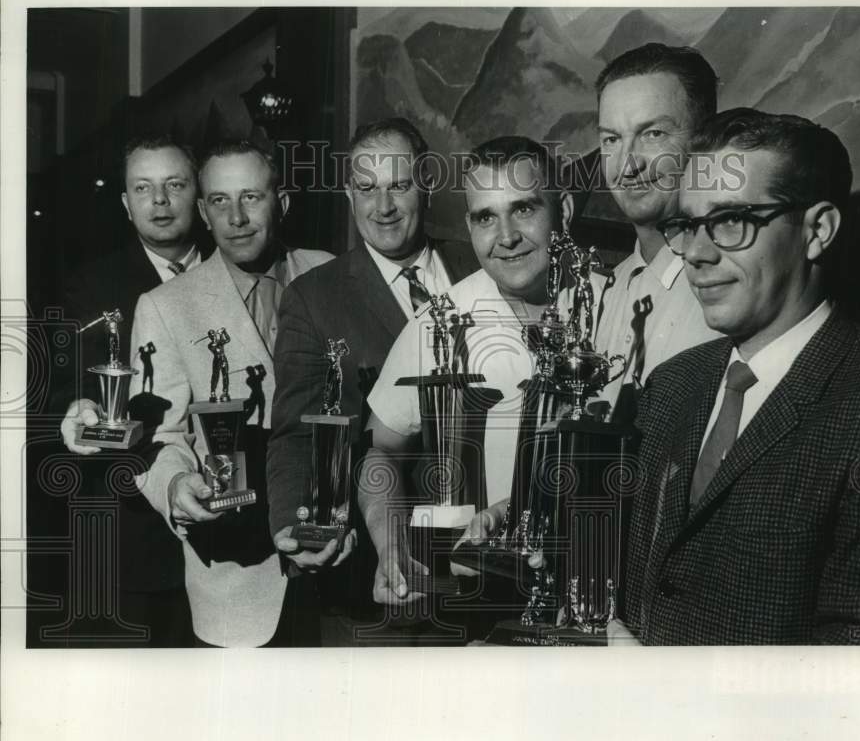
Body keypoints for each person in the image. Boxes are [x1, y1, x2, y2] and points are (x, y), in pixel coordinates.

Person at [620, 108, 860, 644]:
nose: (697, 255)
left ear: (817, 231)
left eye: (731, 220)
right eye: (687, 225)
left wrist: (664, 685)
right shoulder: (672, 384)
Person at [358, 135, 600, 609]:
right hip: (484, 604)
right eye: (485, 217)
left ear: (564, 210)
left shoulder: (612, 302)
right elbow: (379, 450)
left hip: (595, 586)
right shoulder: (440, 321)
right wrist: (391, 542)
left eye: (524, 209)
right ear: (469, 226)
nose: (505, 236)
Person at [129, 139, 352, 647]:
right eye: (220, 201)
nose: (236, 217)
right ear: (203, 212)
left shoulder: (331, 272)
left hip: (344, 562)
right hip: (238, 584)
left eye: (251, 197)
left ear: (282, 203)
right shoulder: (165, 305)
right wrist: (175, 485)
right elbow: (156, 434)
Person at [266, 119, 478, 638]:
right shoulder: (314, 298)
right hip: (375, 589)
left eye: (399, 186)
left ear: (426, 184)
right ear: (349, 195)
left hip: (485, 567)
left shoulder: (481, 264)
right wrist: (295, 522)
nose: (383, 206)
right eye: (367, 189)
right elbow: (297, 432)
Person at [52, 135, 210, 647]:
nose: (159, 201)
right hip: (134, 541)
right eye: (143, 188)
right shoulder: (92, 285)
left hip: (232, 530)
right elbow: (70, 381)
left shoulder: (238, 270)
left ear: (199, 193)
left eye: (174, 185)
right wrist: (79, 407)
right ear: (126, 203)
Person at [591, 44, 723, 420]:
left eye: (653, 134)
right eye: (611, 139)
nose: (627, 165)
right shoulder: (606, 293)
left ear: (702, 141)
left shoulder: (727, 290)